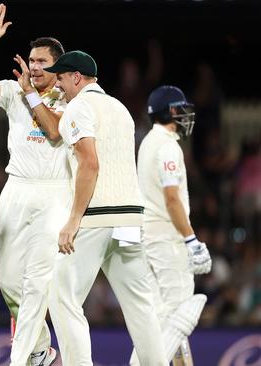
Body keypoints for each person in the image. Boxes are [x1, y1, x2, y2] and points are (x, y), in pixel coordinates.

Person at [46, 50, 166, 365]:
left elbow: (89, 163)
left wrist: (73, 220)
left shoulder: (78, 108)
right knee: (140, 305)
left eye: (60, 78)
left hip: (97, 216)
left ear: (76, 77)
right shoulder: (121, 109)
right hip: (130, 217)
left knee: (62, 296)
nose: (58, 85)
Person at [0, 4, 69, 365]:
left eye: (42, 61)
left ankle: (20, 358)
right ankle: (41, 349)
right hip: (16, 189)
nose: (35, 66)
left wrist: (30, 95)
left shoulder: (72, 97)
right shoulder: (14, 90)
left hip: (54, 191)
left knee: (35, 283)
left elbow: (55, 131)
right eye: (32, 60)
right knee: (10, 283)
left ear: (58, 66)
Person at [131, 85, 212, 365]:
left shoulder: (149, 142)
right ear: (172, 111)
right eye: (182, 109)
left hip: (147, 238)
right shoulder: (167, 146)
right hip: (166, 238)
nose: (185, 115)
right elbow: (172, 199)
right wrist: (191, 240)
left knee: (158, 316)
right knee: (180, 310)